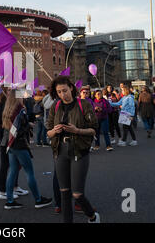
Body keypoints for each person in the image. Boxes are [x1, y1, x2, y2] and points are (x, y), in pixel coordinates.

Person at [46, 76, 100, 223]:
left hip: (79, 151)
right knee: (64, 193)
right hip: (60, 151)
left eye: (65, 90)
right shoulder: (55, 107)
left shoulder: (83, 104)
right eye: (59, 92)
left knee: (77, 194)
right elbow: (48, 132)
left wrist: (76, 130)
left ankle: (92, 216)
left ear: (71, 87)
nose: (63, 94)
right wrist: (54, 131)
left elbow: (94, 130)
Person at [2, 89, 52, 210]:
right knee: (29, 172)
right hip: (20, 144)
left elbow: (13, 128)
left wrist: (26, 124)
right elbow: (20, 129)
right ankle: (38, 199)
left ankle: (9, 200)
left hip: (11, 144)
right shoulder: (20, 110)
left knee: (13, 171)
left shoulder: (8, 109)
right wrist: (27, 126)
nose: (23, 97)